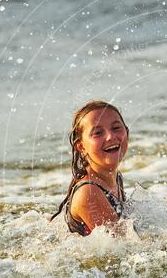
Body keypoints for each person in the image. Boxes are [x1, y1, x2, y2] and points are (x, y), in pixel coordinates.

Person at [50, 100, 129, 236]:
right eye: (98, 133)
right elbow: (125, 245)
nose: (110, 137)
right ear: (81, 147)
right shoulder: (89, 193)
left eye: (116, 128)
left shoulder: (115, 177)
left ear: (127, 132)